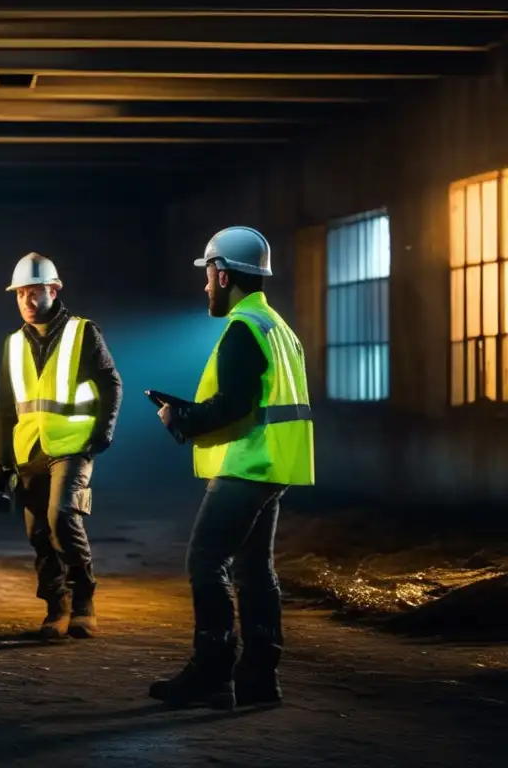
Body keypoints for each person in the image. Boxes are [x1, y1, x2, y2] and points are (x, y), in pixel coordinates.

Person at [148, 226, 314, 710]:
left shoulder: (244, 328)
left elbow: (234, 405)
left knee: (205, 561)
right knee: (254, 568)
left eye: (208, 275)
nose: (205, 286)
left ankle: (213, 672)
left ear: (223, 275)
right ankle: (260, 676)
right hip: (274, 464)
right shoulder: (278, 328)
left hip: (246, 463)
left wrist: (181, 419)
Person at [0, 252, 123, 640]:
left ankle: (84, 600)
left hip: (73, 445)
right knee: (37, 532)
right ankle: (56, 606)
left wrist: (103, 432)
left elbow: (111, 383)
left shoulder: (83, 333)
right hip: (28, 449)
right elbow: (4, 407)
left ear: (55, 290)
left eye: (36, 293)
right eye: (21, 295)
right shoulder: (13, 344)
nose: (29, 302)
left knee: (62, 516)